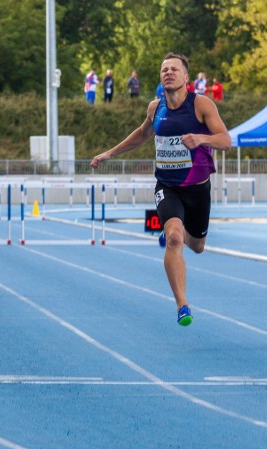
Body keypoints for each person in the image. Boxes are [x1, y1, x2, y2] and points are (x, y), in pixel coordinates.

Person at [90, 52, 230, 326]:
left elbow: (225, 140)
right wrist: (110, 153)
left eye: (174, 69)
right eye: (164, 69)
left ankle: (185, 237)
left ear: (186, 77)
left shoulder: (201, 104)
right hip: (167, 186)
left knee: (198, 246)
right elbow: (142, 134)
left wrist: (200, 138)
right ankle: (182, 305)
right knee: (174, 237)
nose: (168, 72)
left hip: (198, 187)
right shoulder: (156, 107)